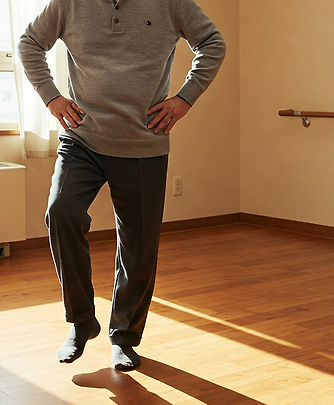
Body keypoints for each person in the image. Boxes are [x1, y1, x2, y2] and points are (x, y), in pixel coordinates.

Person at [18, 0, 225, 370]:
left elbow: (212, 43)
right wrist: (51, 97)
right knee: (61, 213)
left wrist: (184, 99)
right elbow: (30, 42)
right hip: (82, 138)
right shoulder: (69, 3)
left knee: (138, 245)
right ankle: (81, 321)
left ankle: (125, 338)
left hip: (143, 143)